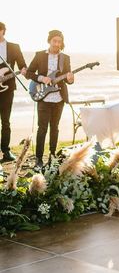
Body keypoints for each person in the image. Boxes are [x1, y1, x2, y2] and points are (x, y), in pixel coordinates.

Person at [27, 30, 74, 169]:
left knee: (55, 128)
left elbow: (68, 79)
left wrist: (71, 79)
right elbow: (29, 73)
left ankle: (52, 157)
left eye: (59, 41)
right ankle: (39, 159)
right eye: (54, 41)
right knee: (42, 129)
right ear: (49, 41)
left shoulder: (65, 58)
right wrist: (42, 78)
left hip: (59, 97)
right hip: (43, 97)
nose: (57, 44)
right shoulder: (40, 55)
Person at [0, 22, 27, 163]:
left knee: (5, 121)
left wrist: (23, 69)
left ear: (3, 31)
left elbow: (22, 64)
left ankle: (6, 151)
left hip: (7, 89)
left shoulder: (14, 47)